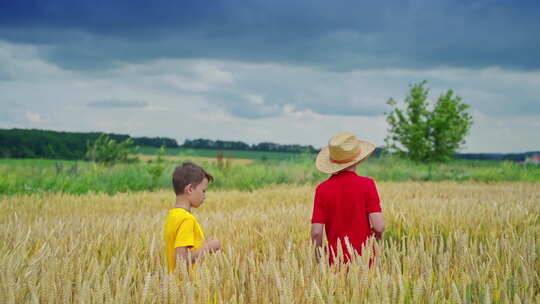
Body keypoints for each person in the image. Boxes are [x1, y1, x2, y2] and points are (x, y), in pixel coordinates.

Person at [311, 131, 385, 264]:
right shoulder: (367, 184)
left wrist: (319, 258)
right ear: (357, 159)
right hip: (365, 258)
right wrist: (376, 240)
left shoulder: (322, 189)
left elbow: (316, 233)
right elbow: (379, 226)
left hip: (334, 260)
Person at [164, 162, 220, 272]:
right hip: (185, 285)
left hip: (176, 283)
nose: (205, 196)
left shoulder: (173, 215)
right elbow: (181, 260)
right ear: (189, 189)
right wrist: (209, 248)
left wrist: (203, 244)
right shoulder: (186, 220)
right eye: (203, 191)